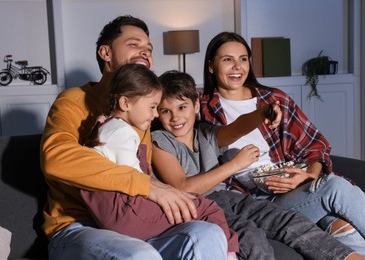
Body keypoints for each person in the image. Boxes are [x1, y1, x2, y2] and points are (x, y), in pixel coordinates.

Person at [40, 15, 228, 259]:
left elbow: (143, 168)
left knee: (209, 234)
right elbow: (56, 158)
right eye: (134, 44)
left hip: (132, 220)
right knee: (139, 255)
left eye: (149, 49)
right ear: (106, 53)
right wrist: (146, 185)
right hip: (78, 226)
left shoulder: (141, 112)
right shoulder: (73, 100)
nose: (145, 52)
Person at [199, 31, 365, 259]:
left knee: (339, 225)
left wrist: (308, 176)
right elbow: (222, 133)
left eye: (243, 59)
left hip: (294, 191)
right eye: (227, 59)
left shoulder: (274, 99)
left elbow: (316, 147)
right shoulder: (201, 108)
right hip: (252, 203)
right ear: (211, 66)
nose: (237, 67)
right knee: (336, 188)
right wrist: (262, 115)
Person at [151, 70, 362, 260]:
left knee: (289, 220)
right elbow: (182, 187)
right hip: (198, 206)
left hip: (231, 198)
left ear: (195, 105)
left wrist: (264, 112)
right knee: (250, 236)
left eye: (181, 107)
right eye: (165, 111)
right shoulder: (159, 140)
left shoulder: (205, 132)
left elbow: (237, 128)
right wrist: (234, 165)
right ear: (157, 113)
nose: (175, 117)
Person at [80, 63, 239, 259]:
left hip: (111, 212)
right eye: (153, 107)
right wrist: (170, 196)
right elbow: (137, 182)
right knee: (207, 207)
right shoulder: (123, 132)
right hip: (125, 213)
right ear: (126, 103)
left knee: (190, 206)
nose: (155, 114)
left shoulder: (105, 126)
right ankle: (229, 255)